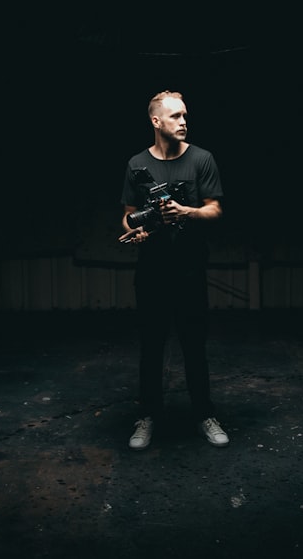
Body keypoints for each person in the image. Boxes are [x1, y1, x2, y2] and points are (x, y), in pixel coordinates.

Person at [119, 90, 229, 450]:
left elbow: (215, 209)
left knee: (194, 346)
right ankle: (148, 416)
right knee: (151, 347)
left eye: (185, 116)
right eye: (176, 116)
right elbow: (128, 212)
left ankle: (204, 415)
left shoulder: (202, 159)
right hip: (151, 272)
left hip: (189, 271)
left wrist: (187, 212)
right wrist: (132, 229)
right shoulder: (136, 164)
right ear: (156, 122)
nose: (184, 122)